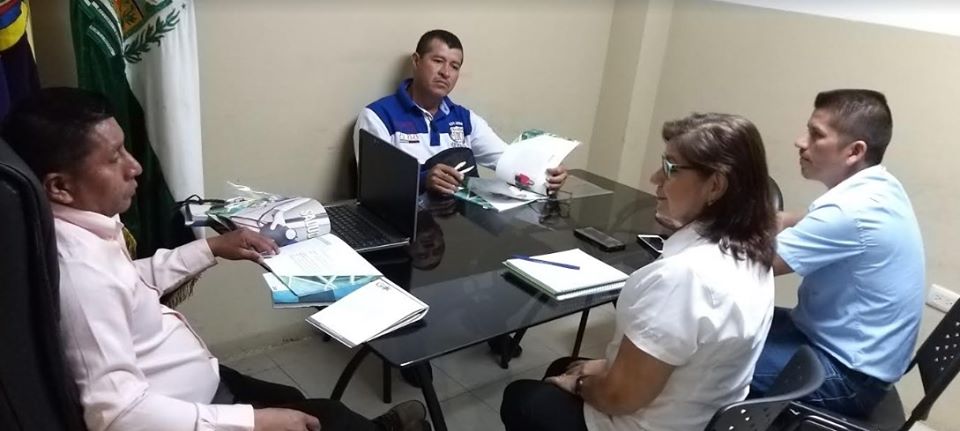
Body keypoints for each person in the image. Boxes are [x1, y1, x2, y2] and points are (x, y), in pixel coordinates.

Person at [1, 87, 430, 431]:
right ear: (59, 187)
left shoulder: (80, 227)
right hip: (188, 409)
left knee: (293, 399)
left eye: (126, 150)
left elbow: (126, 282)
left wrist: (210, 248)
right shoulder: (81, 276)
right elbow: (117, 414)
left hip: (197, 379)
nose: (135, 167)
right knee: (323, 416)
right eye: (113, 159)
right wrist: (253, 422)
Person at [500, 113, 777, 431]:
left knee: (522, 397)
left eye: (670, 168)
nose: (655, 178)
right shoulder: (753, 251)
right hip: (700, 412)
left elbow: (618, 397)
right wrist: (598, 369)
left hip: (642, 421)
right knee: (565, 365)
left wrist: (578, 384)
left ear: (715, 185)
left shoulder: (685, 278)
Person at [750, 89, 925, 418]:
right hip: (846, 350)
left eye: (816, 135)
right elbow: (823, 221)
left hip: (847, 377)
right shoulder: (879, 186)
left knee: (703, 357)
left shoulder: (850, 211)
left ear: (854, 151)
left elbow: (755, 265)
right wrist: (785, 219)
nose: (800, 142)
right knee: (724, 326)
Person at [354, 29, 568, 196]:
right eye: (438, 61)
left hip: (460, 223)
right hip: (407, 224)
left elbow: (508, 161)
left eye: (454, 66)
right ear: (416, 61)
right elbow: (375, 187)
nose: (445, 73)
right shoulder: (378, 116)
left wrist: (547, 174)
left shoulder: (465, 119)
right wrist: (424, 180)